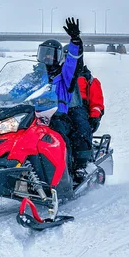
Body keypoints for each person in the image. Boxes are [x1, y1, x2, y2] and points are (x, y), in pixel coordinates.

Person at [36, 17, 84, 178]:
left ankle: (69, 170)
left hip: (58, 116)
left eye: (51, 55)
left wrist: (75, 41)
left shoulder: (64, 78)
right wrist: (4, 97)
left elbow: (72, 64)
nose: (47, 58)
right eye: (44, 54)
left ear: (57, 57)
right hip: (34, 117)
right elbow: (18, 91)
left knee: (59, 134)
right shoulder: (34, 76)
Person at [78, 65, 105, 134]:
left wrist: (94, 116)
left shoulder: (88, 78)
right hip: (55, 108)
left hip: (79, 109)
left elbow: (97, 102)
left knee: (81, 129)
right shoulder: (55, 75)